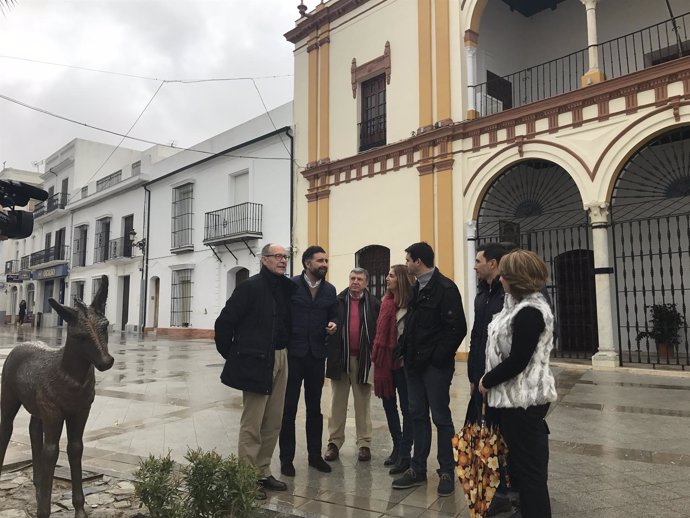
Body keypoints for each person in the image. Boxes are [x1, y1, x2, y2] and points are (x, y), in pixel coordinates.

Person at [479, 249, 558, 518]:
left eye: (504, 275)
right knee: (520, 472)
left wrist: (486, 380)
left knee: (531, 475)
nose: (500, 280)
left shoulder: (531, 312)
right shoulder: (516, 305)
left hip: (524, 402)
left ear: (516, 278)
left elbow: (519, 360)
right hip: (509, 401)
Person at [214, 243, 295, 500]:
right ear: (264, 260)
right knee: (253, 423)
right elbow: (225, 322)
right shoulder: (250, 287)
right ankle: (246, 479)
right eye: (277, 256)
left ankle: (262, 471)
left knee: (273, 421)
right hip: (257, 360)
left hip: (281, 357)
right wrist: (236, 355)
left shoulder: (287, 287)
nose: (283, 260)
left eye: (285, 256)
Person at [392, 242, 467, 497]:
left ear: (419, 261)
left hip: (434, 367)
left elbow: (457, 328)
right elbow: (413, 323)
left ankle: (446, 471)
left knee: (441, 418)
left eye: (408, 259)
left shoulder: (445, 288)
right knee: (417, 416)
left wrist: (437, 358)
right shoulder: (416, 288)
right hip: (413, 365)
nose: (406, 263)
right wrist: (403, 349)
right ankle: (417, 469)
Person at [279, 246, 339, 477]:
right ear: (306, 263)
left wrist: (334, 324)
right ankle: (287, 459)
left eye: (326, 260)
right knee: (289, 409)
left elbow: (333, 314)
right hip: (293, 356)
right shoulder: (290, 286)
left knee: (315, 408)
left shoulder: (330, 290)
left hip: (316, 357)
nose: (324, 264)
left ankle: (315, 456)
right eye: (320, 260)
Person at [467, 243, 514, 516]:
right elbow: (476, 335)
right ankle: (491, 492)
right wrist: (474, 375)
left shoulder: (507, 294)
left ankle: (505, 492)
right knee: (482, 435)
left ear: (493, 263)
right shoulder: (482, 294)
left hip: (499, 378)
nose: (474, 265)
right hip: (481, 378)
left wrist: (492, 376)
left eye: (478, 260)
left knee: (501, 436)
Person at [324, 268, 380, 462]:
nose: (355, 281)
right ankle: (334, 443)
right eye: (352, 278)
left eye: (359, 279)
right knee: (336, 404)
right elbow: (328, 322)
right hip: (340, 358)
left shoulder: (374, 304)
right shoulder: (338, 301)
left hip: (364, 360)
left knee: (362, 404)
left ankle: (364, 444)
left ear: (366, 282)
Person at [371, 264, 414, 475]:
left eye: (391, 275)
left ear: (402, 279)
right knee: (389, 406)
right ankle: (397, 446)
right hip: (386, 364)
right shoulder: (385, 303)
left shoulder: (411, 304)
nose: (387, 279)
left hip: (404, 365)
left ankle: (406, 452)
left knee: (408, 409)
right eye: (387, 275)